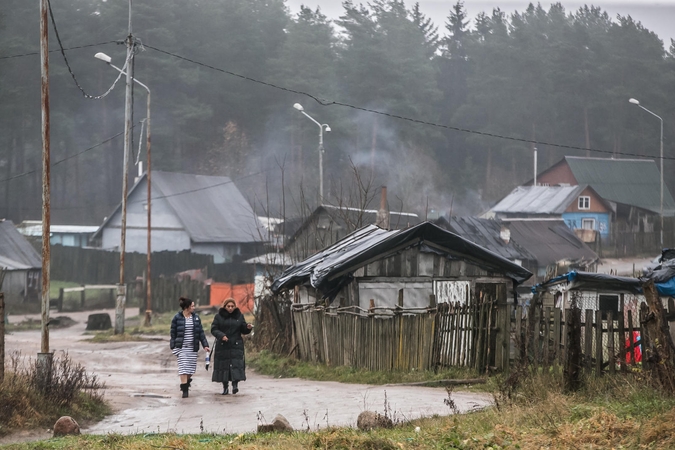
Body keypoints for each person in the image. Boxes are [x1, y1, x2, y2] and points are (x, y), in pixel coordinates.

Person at [210, 298, 252, 395]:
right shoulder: (218, 317)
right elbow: (214, 329)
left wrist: (247, 328)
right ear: (224, 307)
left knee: (236, 365)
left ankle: (235, 385)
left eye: (232, 306)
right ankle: (225, 387)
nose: (230, 308)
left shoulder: (239, 316)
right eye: (228, 306)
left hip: (236, 345)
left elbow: (243, 328)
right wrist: (221, 336)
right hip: (223, 345)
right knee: (224, 366)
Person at [170, 297, 209, 398]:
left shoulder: (195, 318)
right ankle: (185, 390)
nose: (194, 307)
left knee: (191, 370)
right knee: (183, 368)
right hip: (181, 347)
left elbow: (200, 332)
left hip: (192, 348)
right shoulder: (177, 318)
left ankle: (186, 382)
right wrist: (173, 345)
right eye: (192, 306)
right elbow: (173, 332)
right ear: (187, 307)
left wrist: (205, 345)